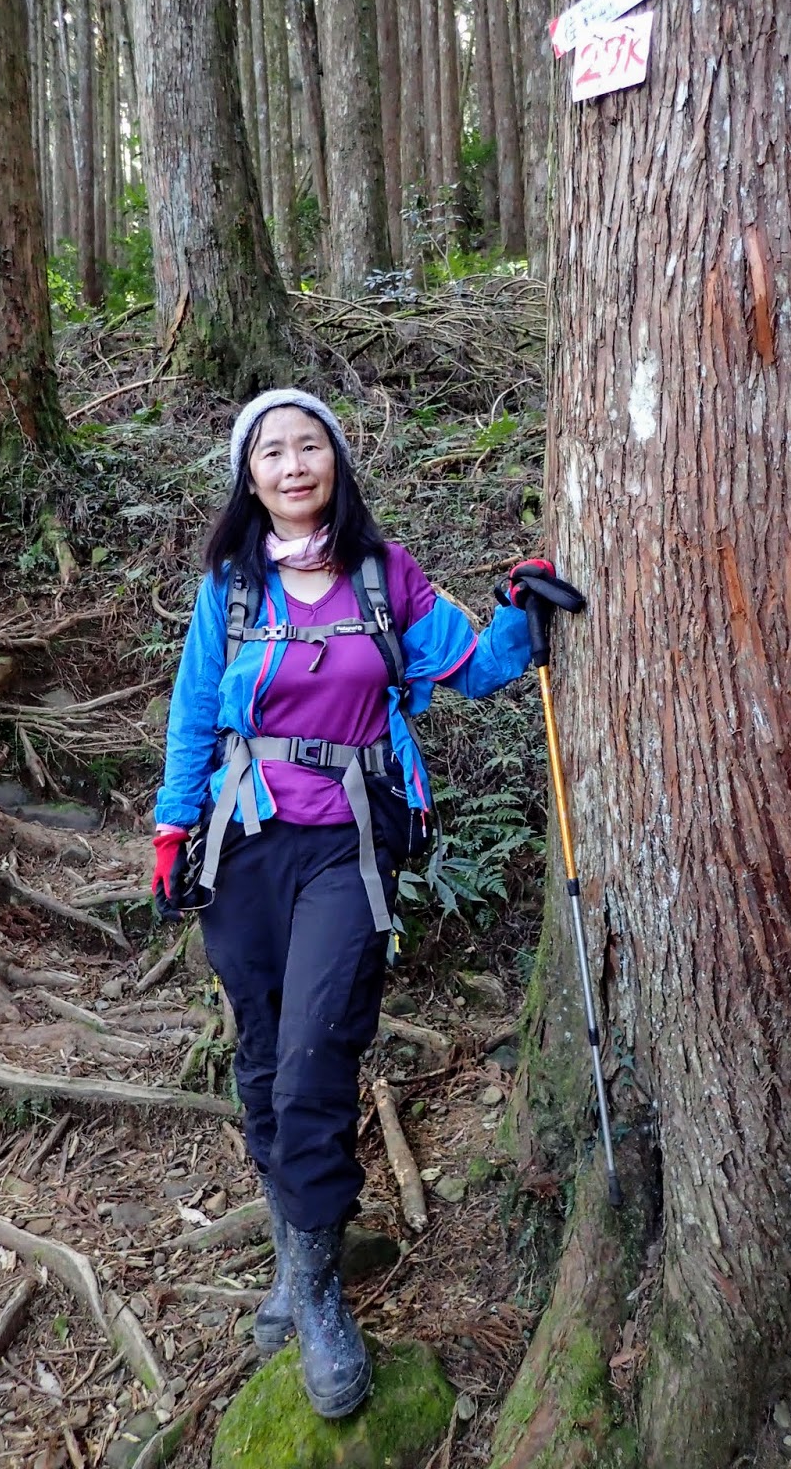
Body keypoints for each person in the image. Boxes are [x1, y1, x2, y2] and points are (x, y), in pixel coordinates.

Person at [150, 387, 561, 1419]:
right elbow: (193, 713)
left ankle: (322, 1292)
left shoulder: (383, 574)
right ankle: (293, 1256)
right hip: (243, 846)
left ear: (335, 460)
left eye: (309, 447)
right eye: (272, 453)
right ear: (249, 478)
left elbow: (471, 666)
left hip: (348, 845)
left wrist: (523, 615)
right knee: (261, 1053)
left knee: (313, 1057)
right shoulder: (231, 589)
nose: (293, 466)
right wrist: (170, 828)